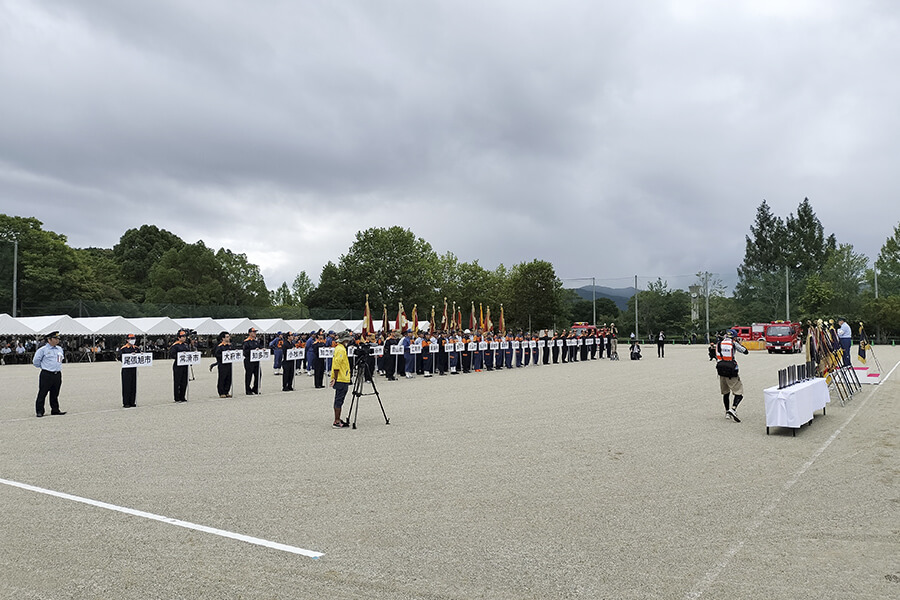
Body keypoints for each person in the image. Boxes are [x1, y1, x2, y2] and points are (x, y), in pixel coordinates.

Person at [716, 329, 748, 422]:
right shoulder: (733, 343)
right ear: (734, 336)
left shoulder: (719, 343)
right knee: (739, 392)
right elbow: (745, 351)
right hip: (731, 371)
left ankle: (727, 412)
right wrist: (738, 343)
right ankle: (733, 409)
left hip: (721, 370)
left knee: (725, 392)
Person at [33, 331, 66, 417]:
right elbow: (36, 361)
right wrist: (44, 367)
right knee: (42, 393)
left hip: (57, 374)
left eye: (58, 339)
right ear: (49, 339)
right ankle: (40, 411)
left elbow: (60, 360)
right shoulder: (43, 350)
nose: (57, 340)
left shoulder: (59, 349)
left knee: (55, 393)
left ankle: (55, 409)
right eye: (55, 338)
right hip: (46, 374)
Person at [330, 332, 352, 428]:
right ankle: (336, 420)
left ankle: (338, 418)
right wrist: (335, 378)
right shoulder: (340, 350)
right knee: (339, 399)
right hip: (341, 378)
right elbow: (337, 365)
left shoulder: (340, 348)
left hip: (343, 377)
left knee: (340, 399)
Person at [168, 330, 192, 403]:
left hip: (185, 365)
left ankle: (182, 396)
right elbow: (172, 355)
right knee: (177, 381)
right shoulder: (175, 345)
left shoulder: (186, 345)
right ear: (178, 337)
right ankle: (177, 397)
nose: (184, 338)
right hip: (178, 365)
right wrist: (180, 356)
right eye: (182, 337)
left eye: (185, 336)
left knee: (184, 381)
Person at [117, 333, 140, 408]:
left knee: (133, 385)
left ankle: (132, 401)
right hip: (126, 369)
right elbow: (119, 357)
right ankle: (126, 402)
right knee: (126, 385)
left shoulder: (136, 348)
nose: (133, 340)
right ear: (127, 340)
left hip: (133, 368)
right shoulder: (124, 348)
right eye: (131, 339)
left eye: (133, 339)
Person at [211, 331, 233, 398]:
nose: (228, 338)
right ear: (223, 338)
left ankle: (227, 391)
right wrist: (224, 355)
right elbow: (217, 355)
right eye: (227, 337)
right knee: (222, 378)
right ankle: (221, 392)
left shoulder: (230, 345)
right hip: (222, 364)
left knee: (229, 378)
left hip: (229, 363)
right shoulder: (220, 346)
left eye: (228, 336)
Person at [242, 327, 262, 395]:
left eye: (255, 332)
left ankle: (255, 388)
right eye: (253, 332)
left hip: (256, 360)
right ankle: (248, 389)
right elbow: (245, 352)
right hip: (249, 360)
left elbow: (260, 347)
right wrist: (253, 351)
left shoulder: (256, 341)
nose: (255, 333)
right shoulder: (246, 342)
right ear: (249, 333)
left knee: (258, 374)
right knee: (249, 375)